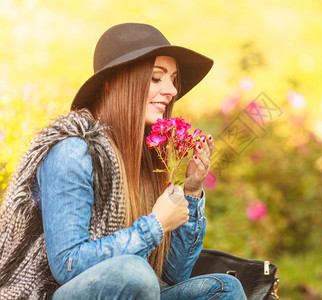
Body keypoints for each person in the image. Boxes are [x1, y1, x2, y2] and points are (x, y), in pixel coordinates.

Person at [0, 23, 246, 299]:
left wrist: (191, 191)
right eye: (156, 78)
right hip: (53, 293)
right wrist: (156, 225)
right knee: (133, 273)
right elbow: (67, 265)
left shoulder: (144, 158)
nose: (172, 91)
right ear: (114, 82)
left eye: (173, 80)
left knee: (223, 290)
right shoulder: (74, 151)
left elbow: (173, 276)